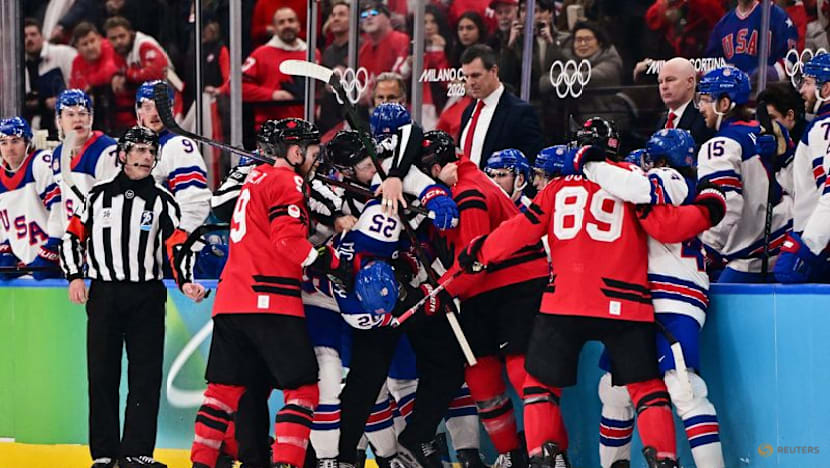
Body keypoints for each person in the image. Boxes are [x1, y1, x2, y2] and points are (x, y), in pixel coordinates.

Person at [452, 140, 728, 468]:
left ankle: (543, 458)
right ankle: (664, 460)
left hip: (565, 301)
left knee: (540, 387)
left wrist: (480, 252)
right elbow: (666, 226)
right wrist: (710, 208)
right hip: (627, 301)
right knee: (645, 390)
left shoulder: (558, 189)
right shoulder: (631, 179)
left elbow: (520, 230)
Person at [59, 125, 206, 468]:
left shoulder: (163, 201)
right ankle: (104, 453)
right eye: (138, 150)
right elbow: (72, 237)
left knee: (145, 377)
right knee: (102, 375)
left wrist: (186, 281)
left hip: (146, 297)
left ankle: (136, 452)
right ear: (123, 155)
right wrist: (75, 276)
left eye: (151, 151)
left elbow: (179, 245)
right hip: (105, 295)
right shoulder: (97, 196)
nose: (145, 157)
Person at [582, 128, 726, 468]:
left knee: (685, 390)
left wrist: (589, 164)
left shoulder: (669, 178)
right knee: (615, 390)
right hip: (643, 299)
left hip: (673, 298)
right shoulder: (680, 189)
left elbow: (640, 189)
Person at [189, 119, 326, 468]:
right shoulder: (287, 180)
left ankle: (201, 463)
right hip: (271, 301)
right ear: (295, 152)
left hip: (231, 301)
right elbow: (288, 241)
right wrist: (329, 262)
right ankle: (287, 464)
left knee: (222, 394)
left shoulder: (254, 177)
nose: (315, 160)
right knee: (302, 389)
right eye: (312, 153)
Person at [418, 130, 550, 468]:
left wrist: (441, 291)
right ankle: (511, 454)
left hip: (514, 287)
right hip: (484, 291)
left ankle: (548, 453)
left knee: (522, 372)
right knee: (480, 375)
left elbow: (473, 260)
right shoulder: (463, 184)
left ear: (437, 169)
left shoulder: (468, 192)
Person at [695, 66, 793, 282]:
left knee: (715, 300)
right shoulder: (765, 130)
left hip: (751, 254)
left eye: (705, 99)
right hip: (784, 240)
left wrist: (708, 249)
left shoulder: (720, 144)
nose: (700, 107)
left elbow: (726, 204)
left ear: (724, 103)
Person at [775, 53, 830, 283]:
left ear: (826, 88)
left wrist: (810, 243)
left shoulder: (824, 126)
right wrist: (784, 157)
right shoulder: (818, 125)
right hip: (818, 233)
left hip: (821, 239)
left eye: (807, 83)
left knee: (786, 272)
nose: (802, 90)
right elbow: (805, 187)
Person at [219, 7, 318, 130]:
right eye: (281, 22)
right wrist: (272, 95)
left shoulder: (313, 54)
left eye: (291, 20)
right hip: (271, 131)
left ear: (298, 25)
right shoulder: (260, 54)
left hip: (308, 130)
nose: (287, 25)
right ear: (274, 28)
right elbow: (234, 87)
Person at [135, 81, 211, 233]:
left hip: (166, 238)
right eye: (148, 107)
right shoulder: (130, 147)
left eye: (161, 107)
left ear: (171, 109)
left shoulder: (178, 145)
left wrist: (182, 234)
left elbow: (194, 201)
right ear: (138, 111)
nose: (155, 113)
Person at [458, 45, 544, 168]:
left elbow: (532, 162)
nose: (470, 82)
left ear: (493, 71)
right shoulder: (468, 112)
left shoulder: (520, 113)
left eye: (475, 75)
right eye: (466, 77)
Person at [0, 117, 63, 280]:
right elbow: (5, 227)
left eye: (15, 141)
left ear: (27, 142)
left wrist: (53, 247)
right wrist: (6, 250)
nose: (9, 148)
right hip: (27, 269)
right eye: (3, 142)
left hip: (59, 265)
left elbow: (61, 209)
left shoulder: (40, 162)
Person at [51, 89, 120, 227]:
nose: (77, 119)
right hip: (73, 235)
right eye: (70, 114)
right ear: (59, 121)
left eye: (82, 113)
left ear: (91, 118)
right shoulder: (58, 154)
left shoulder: (106, 149)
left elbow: (115, 204)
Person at [103, 16, 172, 134]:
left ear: (130, 33)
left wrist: (126, 74)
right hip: (148, 102)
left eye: (122, 36)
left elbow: (154, 74)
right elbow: (117, 70)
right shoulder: (119, 50)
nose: (118, 41)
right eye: (113, 38)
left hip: (170, 95)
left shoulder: (144, 44)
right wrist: (117, 75)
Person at [705, 0, 798, 77]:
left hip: (767, 91)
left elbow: (790, 60)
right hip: (732, 92)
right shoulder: (722, 25)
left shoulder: (776, 16)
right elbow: (710, 65)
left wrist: (771, 73)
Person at [23, 17, 77, 137]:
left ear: (42, 36)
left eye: (33, 34)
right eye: (25, 36)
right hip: (37, 126)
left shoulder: (64, 53)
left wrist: (62, 99)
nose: (29, 39)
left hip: (67, 120)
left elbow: (78, 84)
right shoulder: (18, 64)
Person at [655, 58, 714, 149]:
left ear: (690, 82)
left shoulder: (705, 119)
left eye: (670, 80)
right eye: (660, 82)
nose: (664, 86)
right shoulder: (660, 119)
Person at [358, 2, 411, 84]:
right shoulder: (364, 50)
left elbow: (400, 75)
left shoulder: (400, 40)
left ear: (388, 18)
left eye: (374, 13)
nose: (368, 17)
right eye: (364, 15)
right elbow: (360, 82)